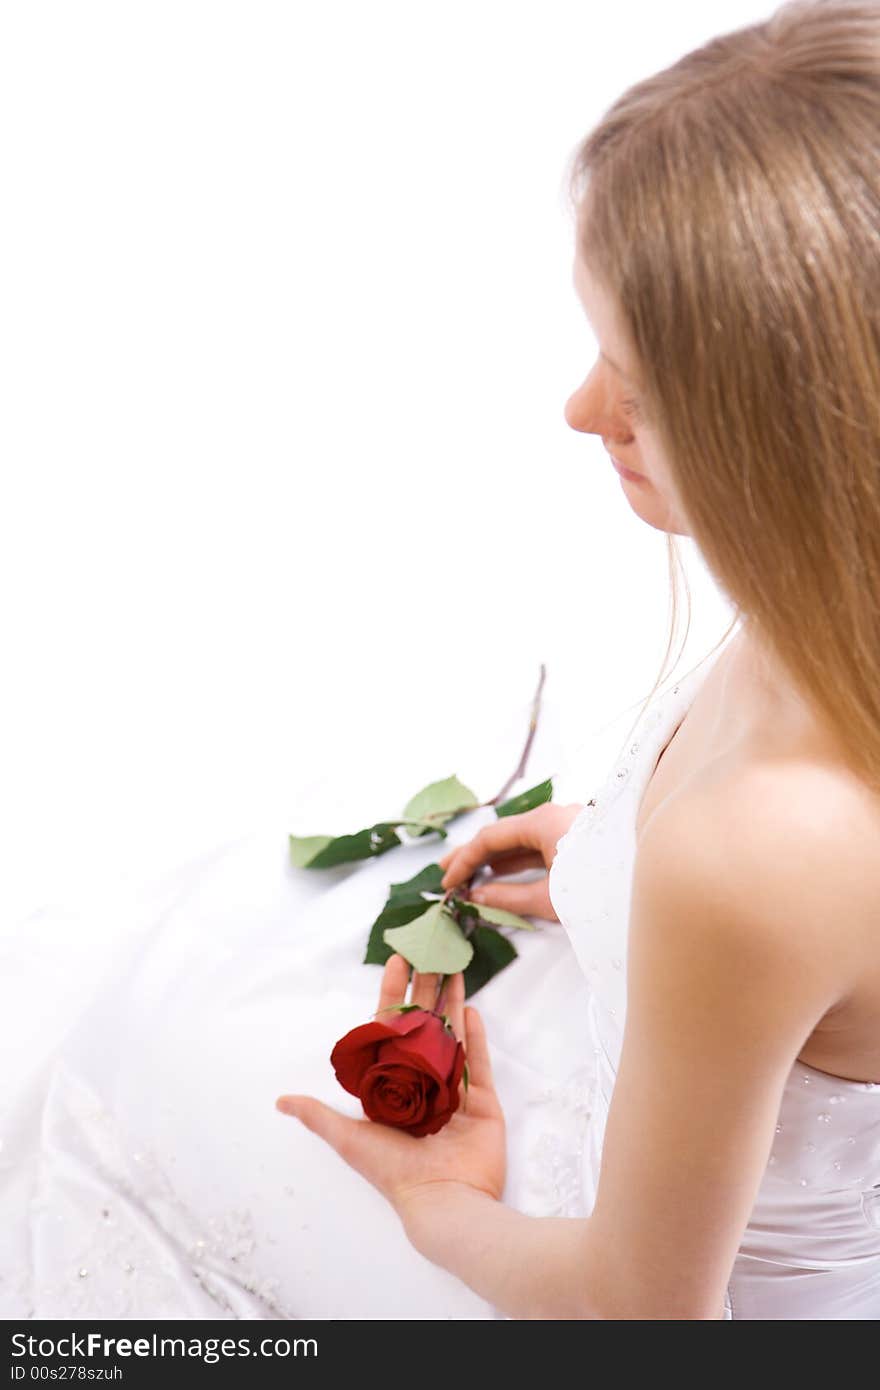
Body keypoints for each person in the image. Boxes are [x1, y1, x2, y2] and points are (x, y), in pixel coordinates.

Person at [5, 0, 880, 1319]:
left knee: (155, 1112)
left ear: (799, 431)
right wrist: (613, 860)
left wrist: (441, 1206)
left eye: (640, 390)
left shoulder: (755, 855)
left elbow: (639, 1311)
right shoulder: (840, 602)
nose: (579, 409)